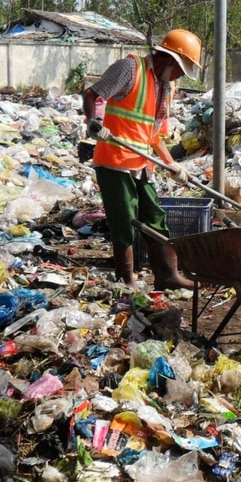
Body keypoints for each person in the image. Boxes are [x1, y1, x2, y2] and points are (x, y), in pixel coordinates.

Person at [82, 28, 202, 290]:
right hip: (114, 161)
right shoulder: (130, 69)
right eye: (182, 69)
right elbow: (92, 94)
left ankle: (167, 275)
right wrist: (94, 122)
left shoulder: (166, 89)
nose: (181, 76)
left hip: (142, 164)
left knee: (154, 215)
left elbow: (155, 135)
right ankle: (127, 279)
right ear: (170, 60)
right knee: (124, 219)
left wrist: (172, 164)